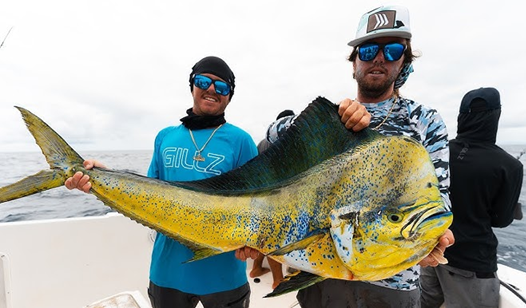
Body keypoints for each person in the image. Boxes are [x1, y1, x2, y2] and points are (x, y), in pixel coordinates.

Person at [65, 56, 370, 307]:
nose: (211, 89)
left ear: (229, 95)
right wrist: (101, 177)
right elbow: (152, 192)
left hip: (225, 275)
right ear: (192, 86)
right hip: (167, 272)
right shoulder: (165, 137)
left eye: (221, 86)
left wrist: (256, 248)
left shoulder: (240, 141)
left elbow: (262, 208)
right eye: (203, 82)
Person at [247, 5, 454, 308]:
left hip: (394, 284)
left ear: (404, 63)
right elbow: (273, 133)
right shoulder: (335, 122)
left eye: (393, 50)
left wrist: (437, 237)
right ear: (354, 62)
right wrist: (331, 120)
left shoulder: (424, 121)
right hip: (322, 273)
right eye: (368, 50)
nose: (379, 58)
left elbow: (442, 199)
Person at [420, 87, 524, 308]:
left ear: (461, 116)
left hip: (431, 253)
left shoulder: (438, 154)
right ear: (496, 116)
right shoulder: (510, 166)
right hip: (472, 264)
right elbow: (502, 220)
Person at [250, 109, 295, 289]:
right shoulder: (285, 143)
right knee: (274, 240)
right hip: (276, 200)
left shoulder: (261, 143)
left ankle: (256, 269)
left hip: (258, 197)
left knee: (263, 237)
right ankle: (278, 281)